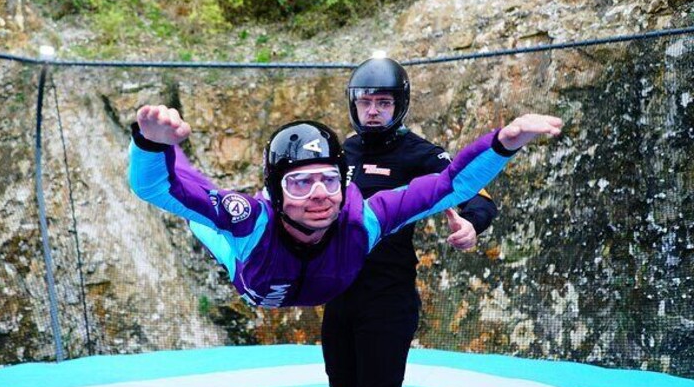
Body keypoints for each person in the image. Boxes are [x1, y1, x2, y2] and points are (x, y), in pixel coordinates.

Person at [128, 104, 561, 310]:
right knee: (203, 213)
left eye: (328, 180)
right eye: (299, 183)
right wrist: (151, 143)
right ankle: (171, 149)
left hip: (320, 281)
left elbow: (451, 185)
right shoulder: (250, 221)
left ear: (344, 180)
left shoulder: (367, 218)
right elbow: (156, 189)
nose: (318, 195)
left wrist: (504, 142)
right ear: (276, 194)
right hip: (250, 267)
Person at [323, 56, 498, 387]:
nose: (374, 111)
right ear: (353, 105)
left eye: (384, 102)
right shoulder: (343, 151)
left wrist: (472, 224)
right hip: (340, 298)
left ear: (399, 105)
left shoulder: (420, 154)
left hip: (387, 301)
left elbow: (476, 190)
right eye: (366, 102)